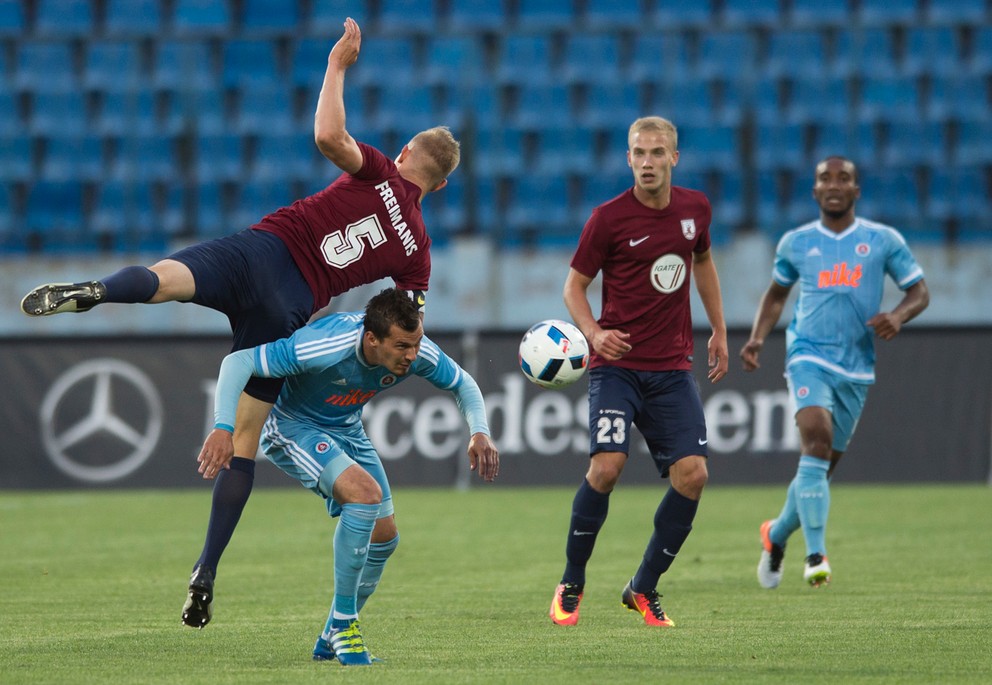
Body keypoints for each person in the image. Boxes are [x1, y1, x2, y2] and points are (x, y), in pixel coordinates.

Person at [19, 18, 461, 629]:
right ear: (439, 185)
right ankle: (205, 569)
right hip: (290, 307)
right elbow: (405, 326)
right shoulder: (418, 249)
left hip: (261, 251)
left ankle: (96, 290)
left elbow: (328, 135)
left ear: (408, 155)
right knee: (243, 447)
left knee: (162, 280)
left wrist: (337, 65)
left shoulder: (381, 170)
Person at [198, 287, 499, 665]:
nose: (412, 355)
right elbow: (239, 363)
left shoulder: (415, 349)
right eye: (403, 346)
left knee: (385, 537)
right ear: (371, 339)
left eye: (417, 343)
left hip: (346, 429)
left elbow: (463, 384)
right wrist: (224, 427)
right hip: (292, 426)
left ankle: (329, 636)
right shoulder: (323, 346)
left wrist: (479, 431)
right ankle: (344, 625)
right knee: (363, 495)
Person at [549, 116, 729, 628]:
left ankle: (643, 587)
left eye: (657, 153)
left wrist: (718, 329)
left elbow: (704, 263)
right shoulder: (607, 219)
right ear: (627, 159)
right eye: (638, 153)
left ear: (675, 157)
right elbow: (573, 288)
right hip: (617, 367)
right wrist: (593, 333)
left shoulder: (696, 210)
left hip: (672, 368)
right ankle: (572, 580)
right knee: (606, 467)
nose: (647, 162)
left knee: (693, 475)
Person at [741, 156, 929, 590]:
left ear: (856, 190)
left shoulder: (882, 240)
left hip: (857, 366)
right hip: (807, 353)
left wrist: (899, 316)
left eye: (843, 178)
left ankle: (775, 534)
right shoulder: (797, 242)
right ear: (814, 190)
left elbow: (919, 291)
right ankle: (816, 554)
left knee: (818, 467)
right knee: (817, 440)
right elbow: (775, 296)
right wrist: (756, 338)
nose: (834, 184)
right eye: (825, 177)